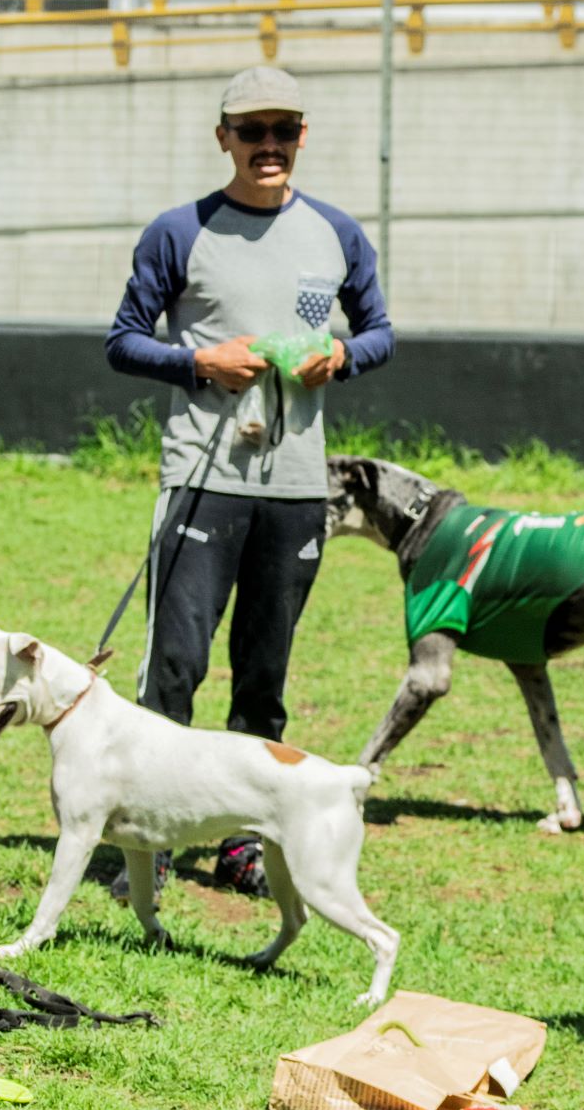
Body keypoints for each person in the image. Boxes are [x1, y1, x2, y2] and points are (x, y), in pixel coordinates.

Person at [104, 65, 394, 898]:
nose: (268, 146)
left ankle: (241, 841)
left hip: (297, 489)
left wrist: (339, 354)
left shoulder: (337, 233)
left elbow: (380, 335)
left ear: (301, 136)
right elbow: (123, 340)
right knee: (175, 667)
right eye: (251, 131)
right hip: (202, 481)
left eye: (283, 130)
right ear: (223, 137)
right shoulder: (179, 231)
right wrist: (197, 359)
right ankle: (148, 842)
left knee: (263, 675)